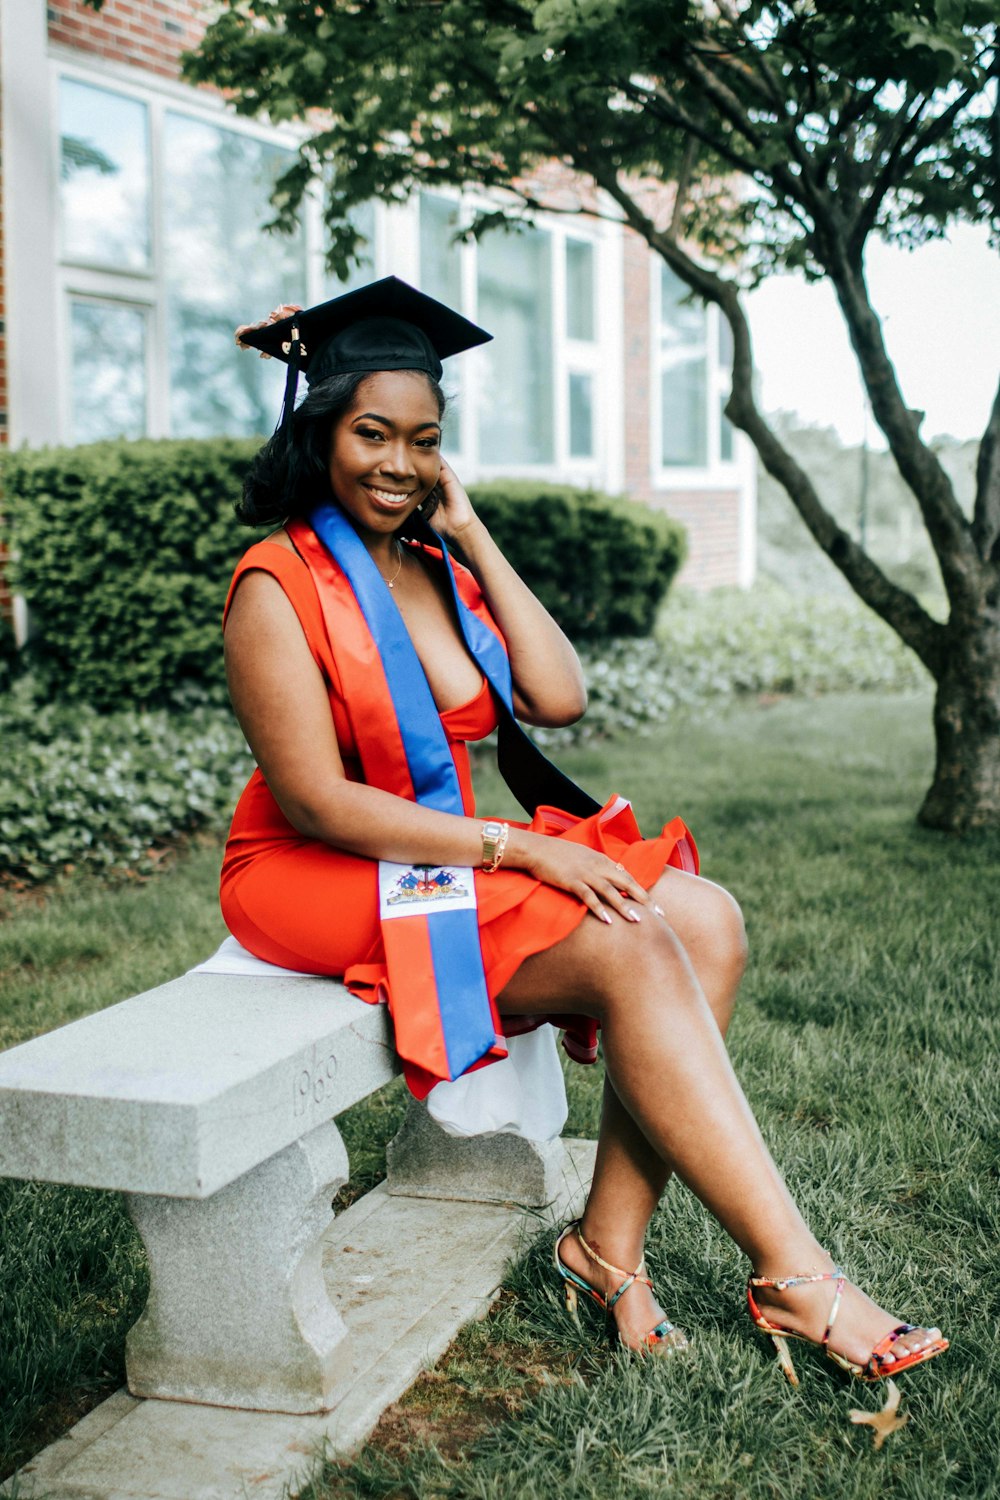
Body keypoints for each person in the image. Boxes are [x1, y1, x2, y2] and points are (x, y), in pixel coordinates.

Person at [220, 276, 947, 1380]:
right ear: (319, 430)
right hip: (314, 869)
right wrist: (526, 849)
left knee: (704, 920)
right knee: (626, 936)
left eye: (424, 441)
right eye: (372, 434)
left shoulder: (432, 566)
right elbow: (318, 801)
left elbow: (554, 695)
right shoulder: (275, 583)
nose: (398, 464)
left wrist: (471, 531)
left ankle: (603, 1246)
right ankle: (796, 1277)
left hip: (430, 847)